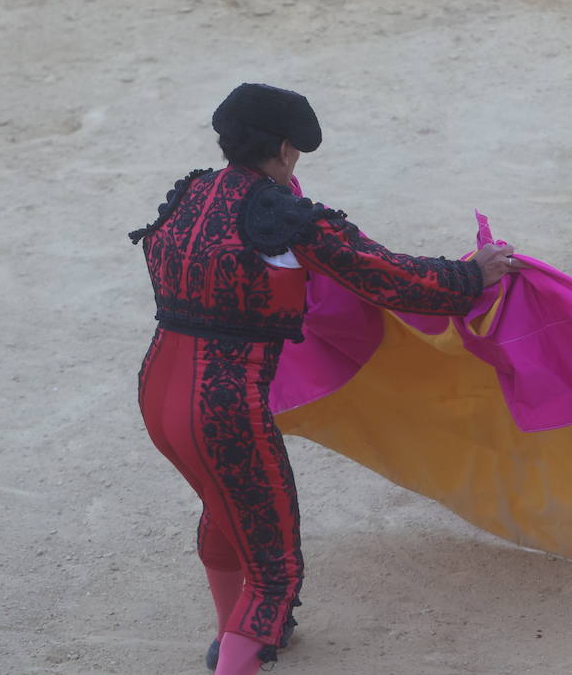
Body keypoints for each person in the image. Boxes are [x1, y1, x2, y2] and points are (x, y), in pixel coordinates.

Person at [129, 83, 519, 675]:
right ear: (286, 149)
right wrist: (469, 276)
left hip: (158, 392)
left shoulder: (191, 194)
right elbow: (385, 276)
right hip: (221, 406)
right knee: (275, 573)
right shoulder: (283, 216)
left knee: (226, 507)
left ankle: (230, 634)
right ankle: (237, 655)